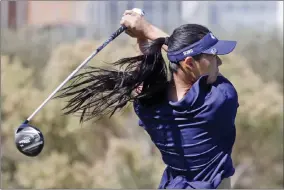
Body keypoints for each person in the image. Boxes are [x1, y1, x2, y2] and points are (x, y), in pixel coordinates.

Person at [56, 10, 239, 189]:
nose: (219, 62)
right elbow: (174, 53)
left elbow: (168, 61)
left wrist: (144, 37)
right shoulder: (221, 99)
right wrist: (147, 30)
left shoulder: (147, 107)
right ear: (190, 63)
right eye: (213, 55)